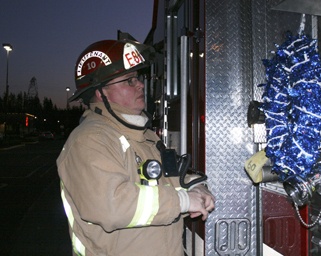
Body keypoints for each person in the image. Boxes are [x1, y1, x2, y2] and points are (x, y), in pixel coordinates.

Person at [56, 37, 215, 256]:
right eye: (129, 80)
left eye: (138, 77)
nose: (140, 84)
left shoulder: (146, 137)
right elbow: (112, 205)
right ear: (101, 93)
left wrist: (195, 188)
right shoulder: (88, 140)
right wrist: (184, 200)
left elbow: (169, 183)